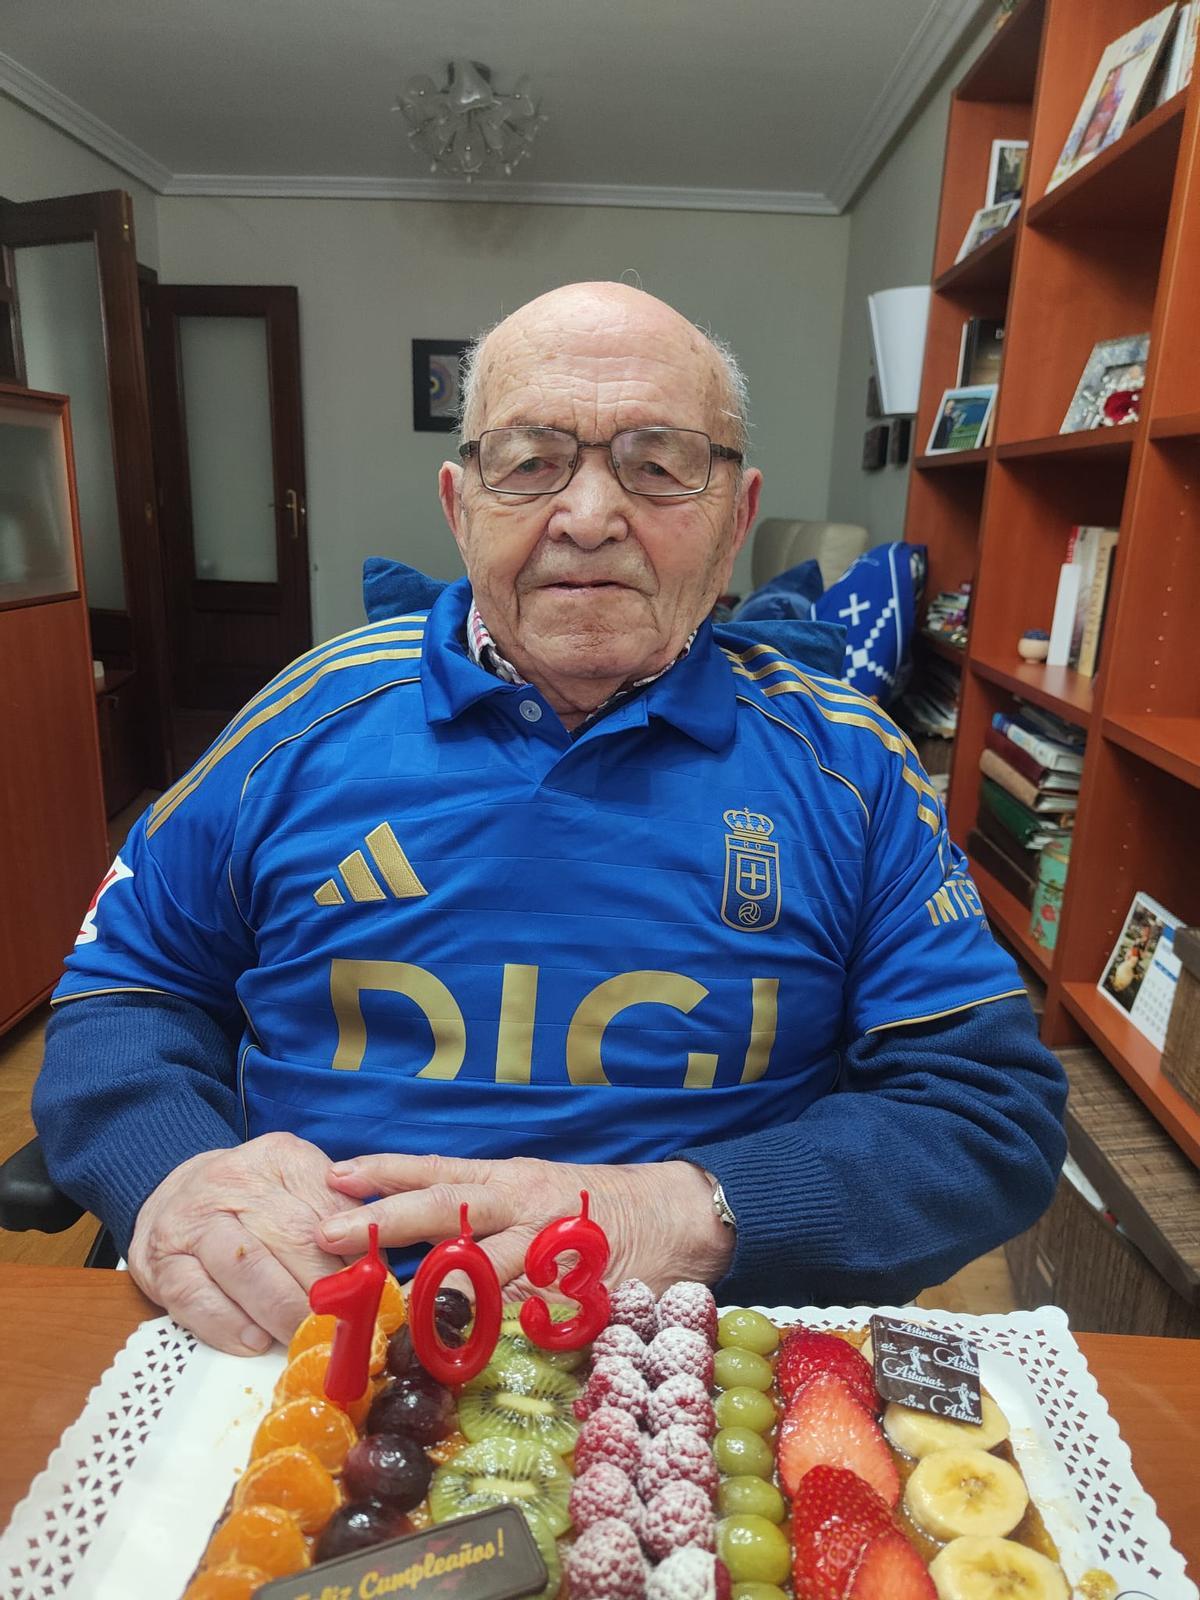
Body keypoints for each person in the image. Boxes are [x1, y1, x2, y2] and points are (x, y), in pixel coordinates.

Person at [34, 282, 1067, 1356]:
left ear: (737, 519)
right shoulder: (298, 724)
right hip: (315, 1336)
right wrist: (179, 1170)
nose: (586, 515)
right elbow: (126, 993)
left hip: (694, 1356)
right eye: (530, 461)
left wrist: (686, 1213)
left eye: (658, 463)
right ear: (458, 503)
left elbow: (986, 1115)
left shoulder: (851, 765)